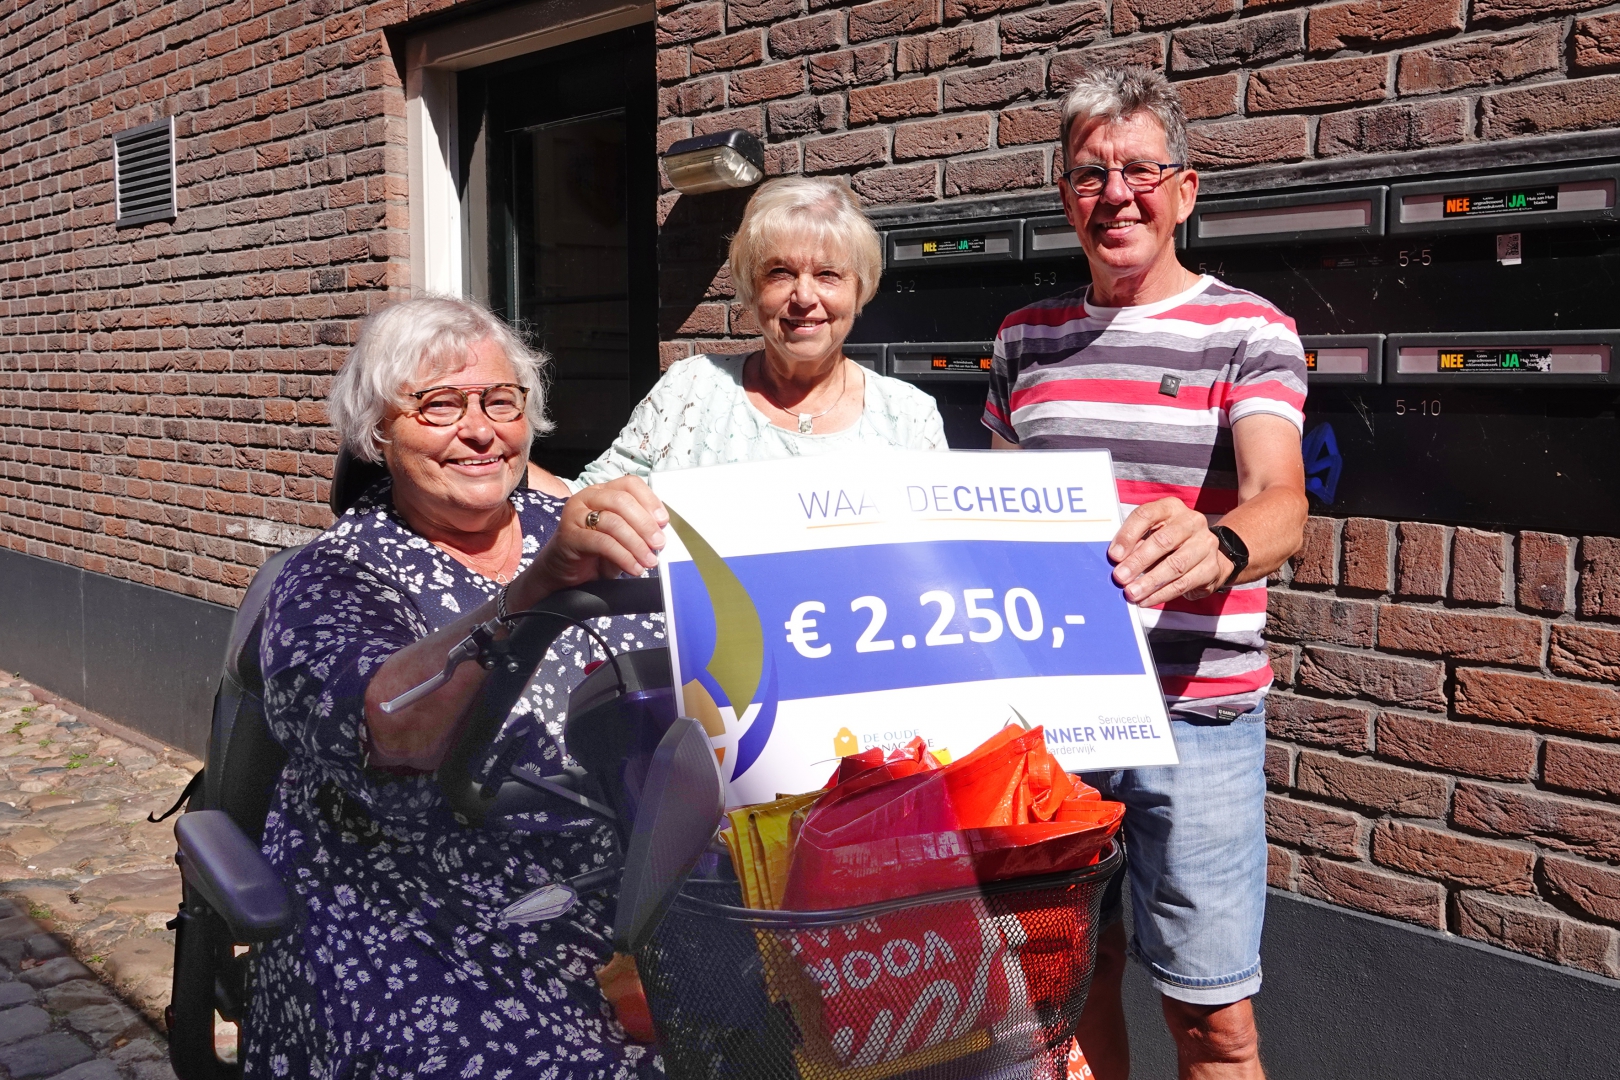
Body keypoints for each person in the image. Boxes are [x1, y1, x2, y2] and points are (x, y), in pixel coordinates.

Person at [249, 296, 670, 1079]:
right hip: (408, 906)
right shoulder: (333, 576)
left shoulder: (584, 529)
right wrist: (536, 590)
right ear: (378, 430)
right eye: (439, 405)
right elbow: (391, 731)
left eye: (500, 400)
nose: (479, 430)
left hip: (621, 896)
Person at [984, 66, 1308, 1080]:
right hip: (1058, 715)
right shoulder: (1024, 338)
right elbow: (997, 522)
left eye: (1138, 170)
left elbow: (1281, 500)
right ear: (1064, 196)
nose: (1114, 194)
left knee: (1215, 1022)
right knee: (1066, 996)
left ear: (1186, 190)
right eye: (1089, 175)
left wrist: (1216, 544)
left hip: (1194, 718)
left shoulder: (1249, 329)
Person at [569, 176, 946, 488]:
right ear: (752, 288)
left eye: (828, 274)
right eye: (780, 272)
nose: (803, 296)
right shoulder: (689, 389)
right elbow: (594, 497)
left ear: (859, 289)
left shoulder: (909, 416)